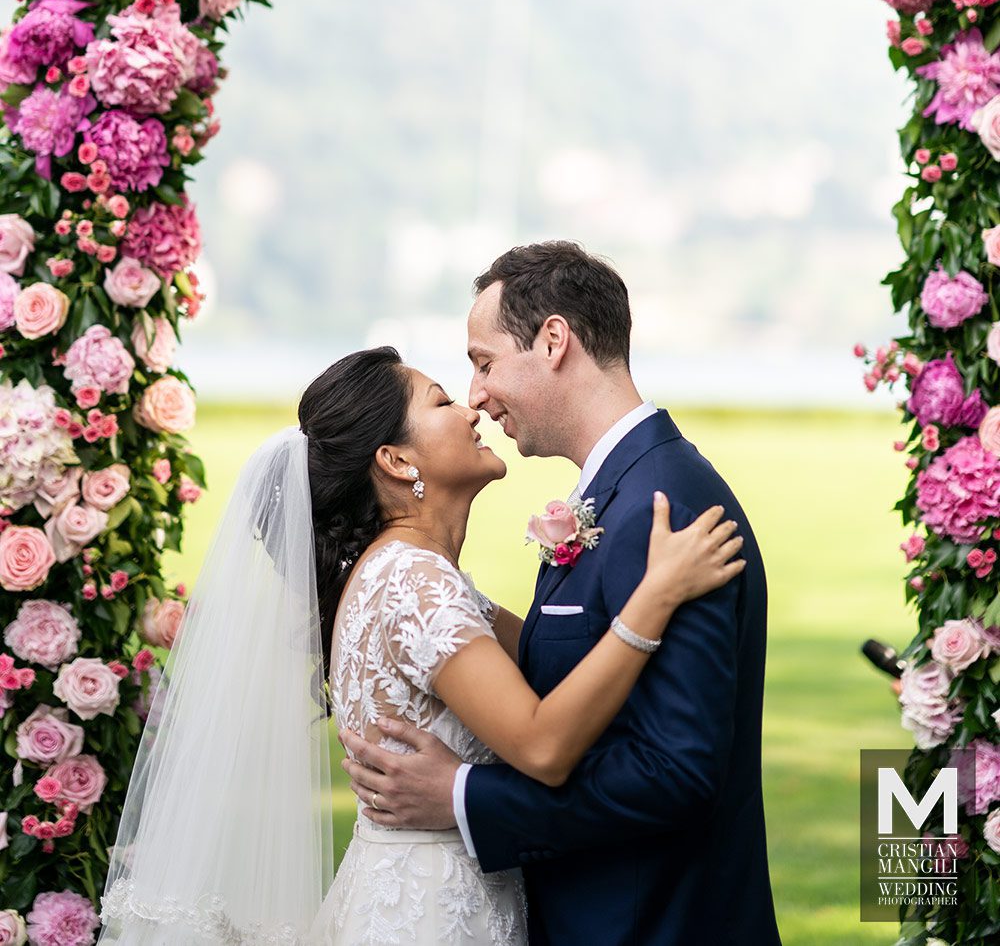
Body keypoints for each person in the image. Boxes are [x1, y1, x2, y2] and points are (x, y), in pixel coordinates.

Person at [96, 340, 743, 946]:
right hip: (429, 914)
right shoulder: (411, 581)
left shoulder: (416, 576)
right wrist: (653, 600)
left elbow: (555, 660)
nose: (469, 407)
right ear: (398, 461)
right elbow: (544, 744)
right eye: (439, 401)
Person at [342, 240, 782, 946]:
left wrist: (461, 796)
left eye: (483, 364)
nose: (477, 395)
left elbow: (675, 773)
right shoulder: (620, 496)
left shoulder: (661, 510)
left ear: (553, 341)